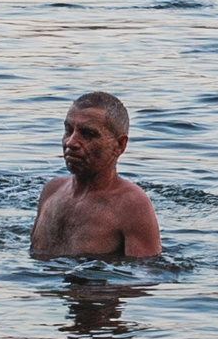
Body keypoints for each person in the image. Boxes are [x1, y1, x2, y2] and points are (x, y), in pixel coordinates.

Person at [30, 91, 162, 259]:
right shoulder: (51, 191)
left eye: (88, 134)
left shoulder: (131, 206)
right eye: (68, 130)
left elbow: (147, 271)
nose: (71, 142)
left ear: (119, 145)